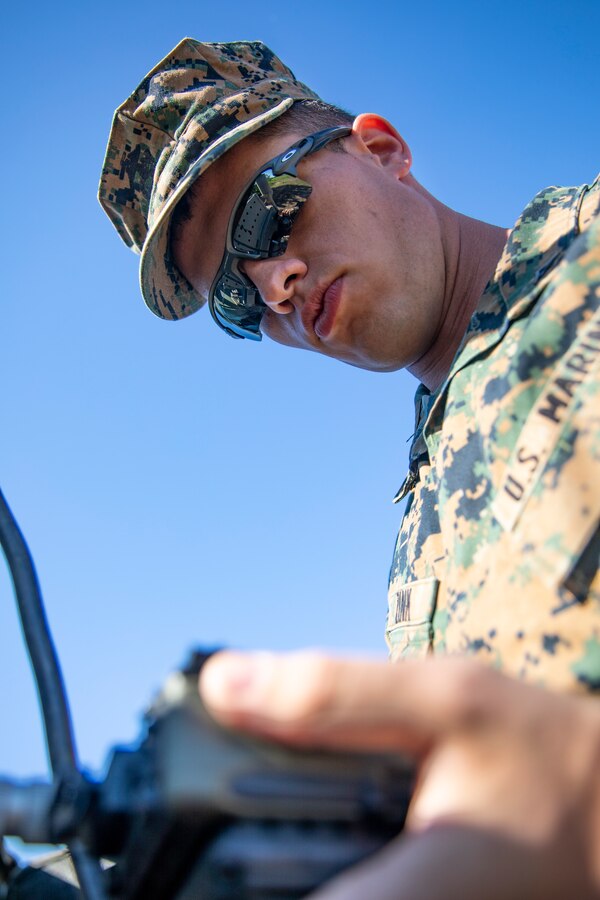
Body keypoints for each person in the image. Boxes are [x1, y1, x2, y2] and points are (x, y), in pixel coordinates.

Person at [99, 38, 600, 896]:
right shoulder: (424, 528)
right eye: (234, 296)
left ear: (382, 151)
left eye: (271, 213)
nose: (274, 287)